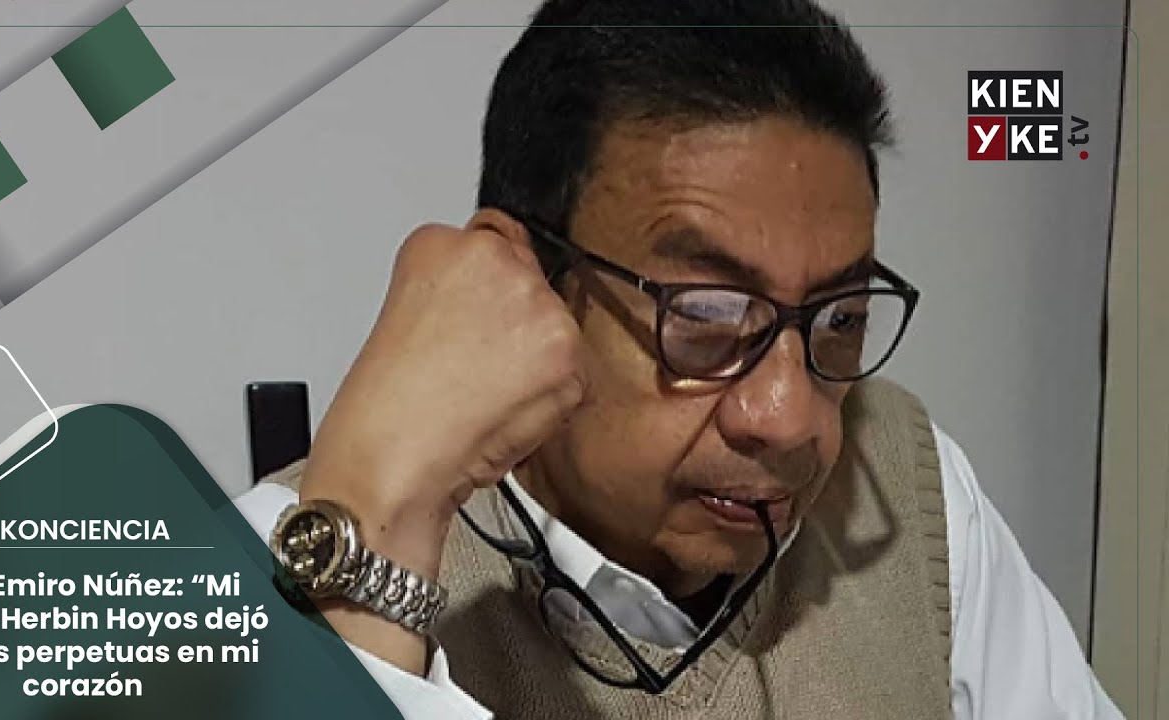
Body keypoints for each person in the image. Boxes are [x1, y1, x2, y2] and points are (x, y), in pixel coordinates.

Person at [237, 1, 1123, 717]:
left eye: (842, 317)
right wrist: (376, 529)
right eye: (706, 314)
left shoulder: (906, 488)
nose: (790, 417)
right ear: (518, 280)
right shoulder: (271, 561)